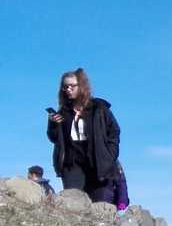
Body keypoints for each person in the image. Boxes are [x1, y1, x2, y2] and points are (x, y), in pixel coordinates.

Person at [45, 68, 120, 202]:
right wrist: (52, 124)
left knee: (99, 205)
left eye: (72, 86)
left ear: (82, 86)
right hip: (72, 164)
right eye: (65, 87)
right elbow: (54, 138)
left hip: (98, 162)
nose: (68, 89)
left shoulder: (99, 108)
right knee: (72, 203)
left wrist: (110, 155)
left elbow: (114, 131)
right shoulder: (63, 112)